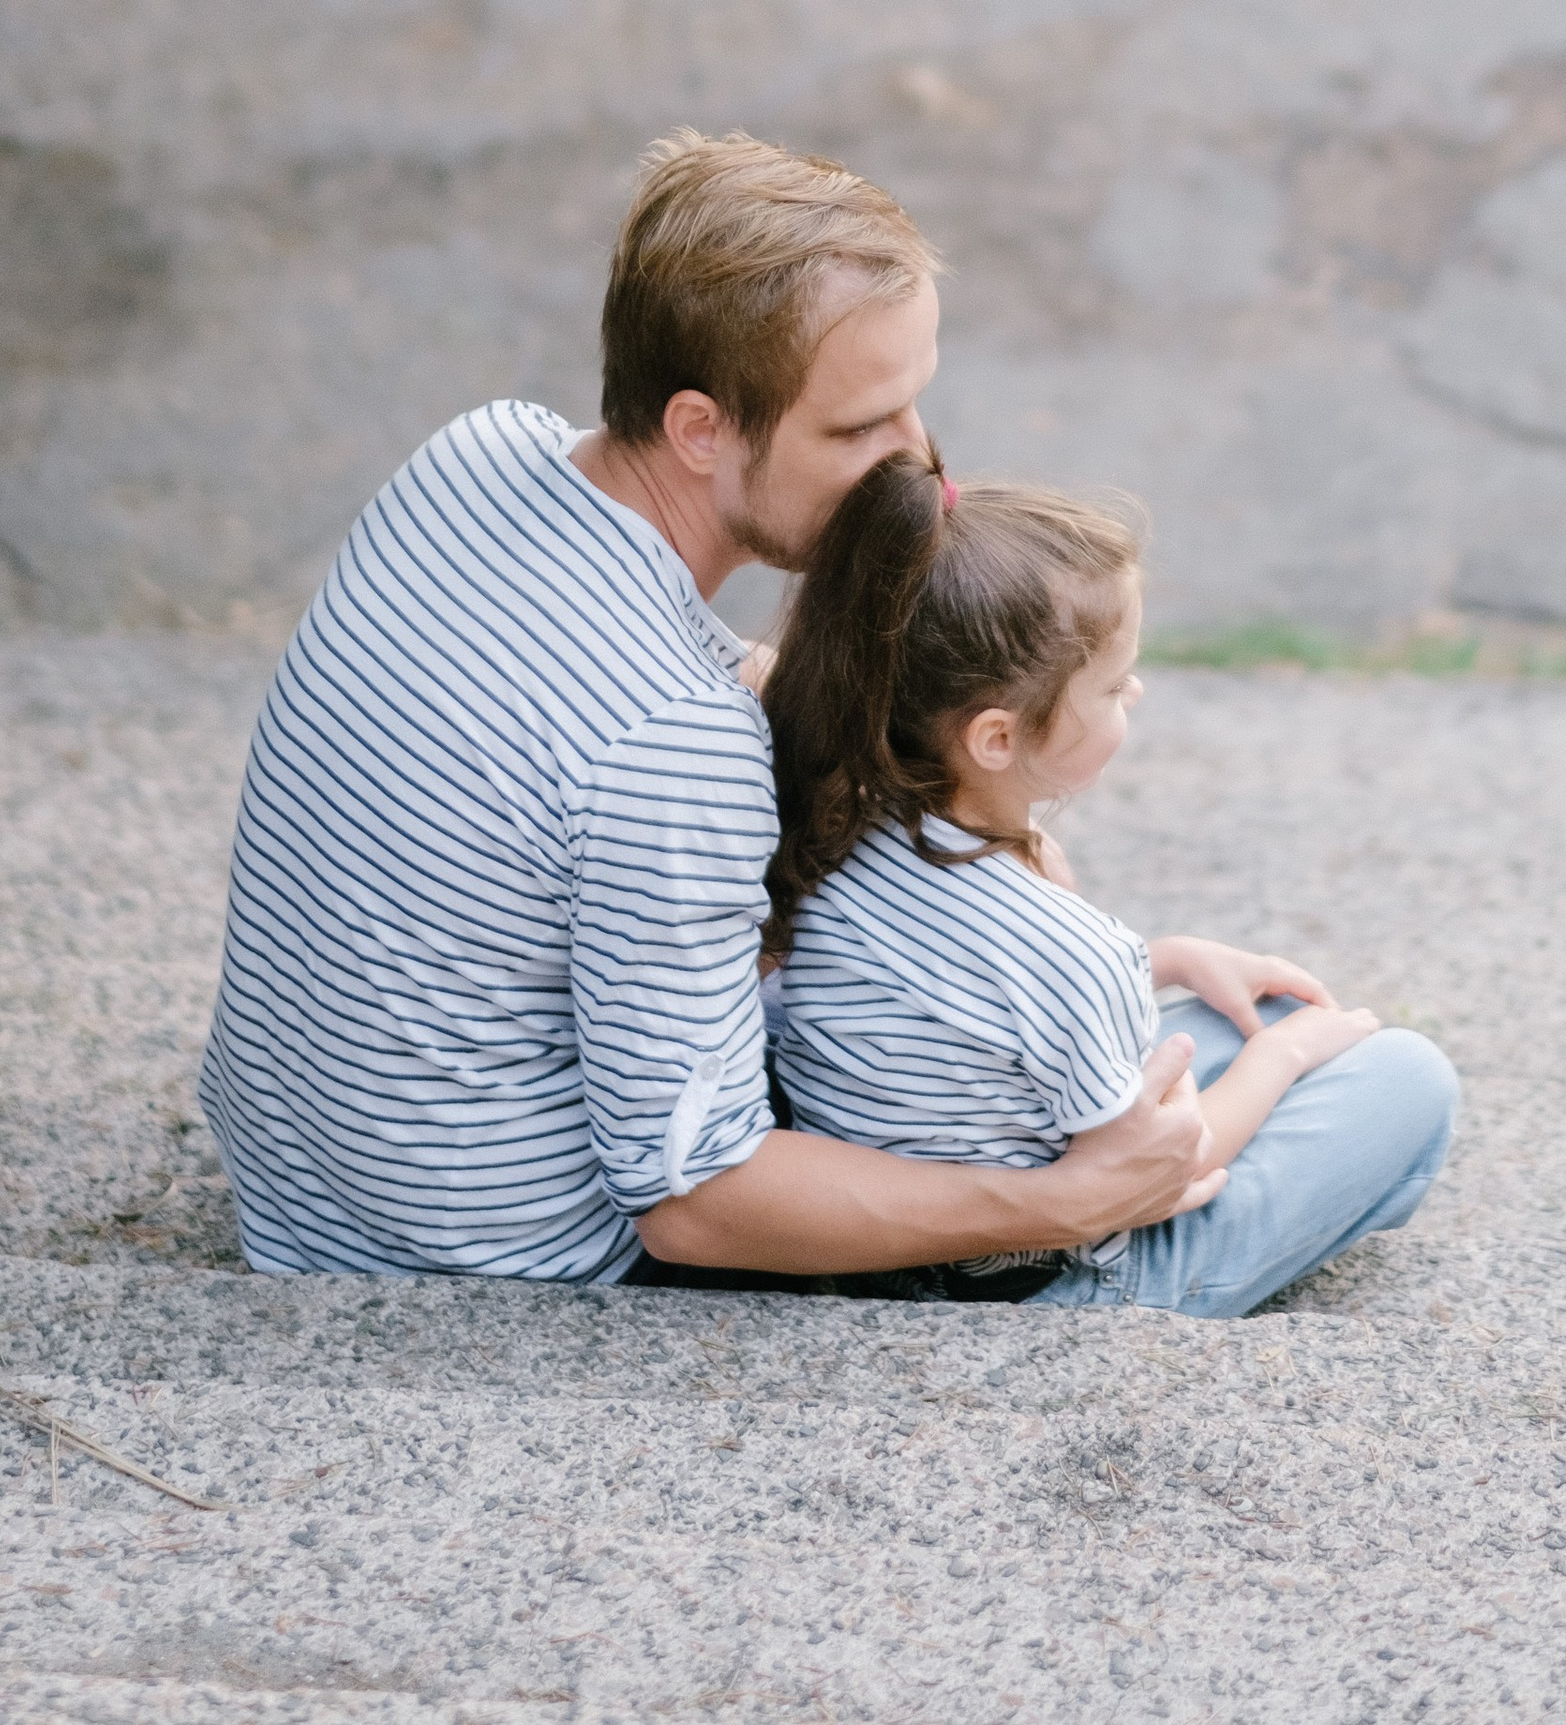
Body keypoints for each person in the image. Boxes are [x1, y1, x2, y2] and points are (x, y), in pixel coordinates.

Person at [198, 132, 1232, 1285]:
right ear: (699, 428)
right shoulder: (676, 748)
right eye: (857, 428)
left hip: (307, 1185)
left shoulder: (479, 454)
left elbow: (661, 695)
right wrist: (1061, 1202)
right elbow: (694, 1204)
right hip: (495, 1273)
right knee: (1325, 1082)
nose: (918, 465)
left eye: (913, 405)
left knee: (1073, 1022)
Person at [764, 450, 1459, 1314]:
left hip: (883, 1248)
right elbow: (1165, 1165)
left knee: (1262, 1017)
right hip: (1061, 1286)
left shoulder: (837, 835)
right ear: (996, 738)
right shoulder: (1069, 949)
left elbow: (980, 1006)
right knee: (1404, 1074)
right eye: (1112, 684)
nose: (1138, 690)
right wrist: (1280, 1061)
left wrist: (1167, 959)